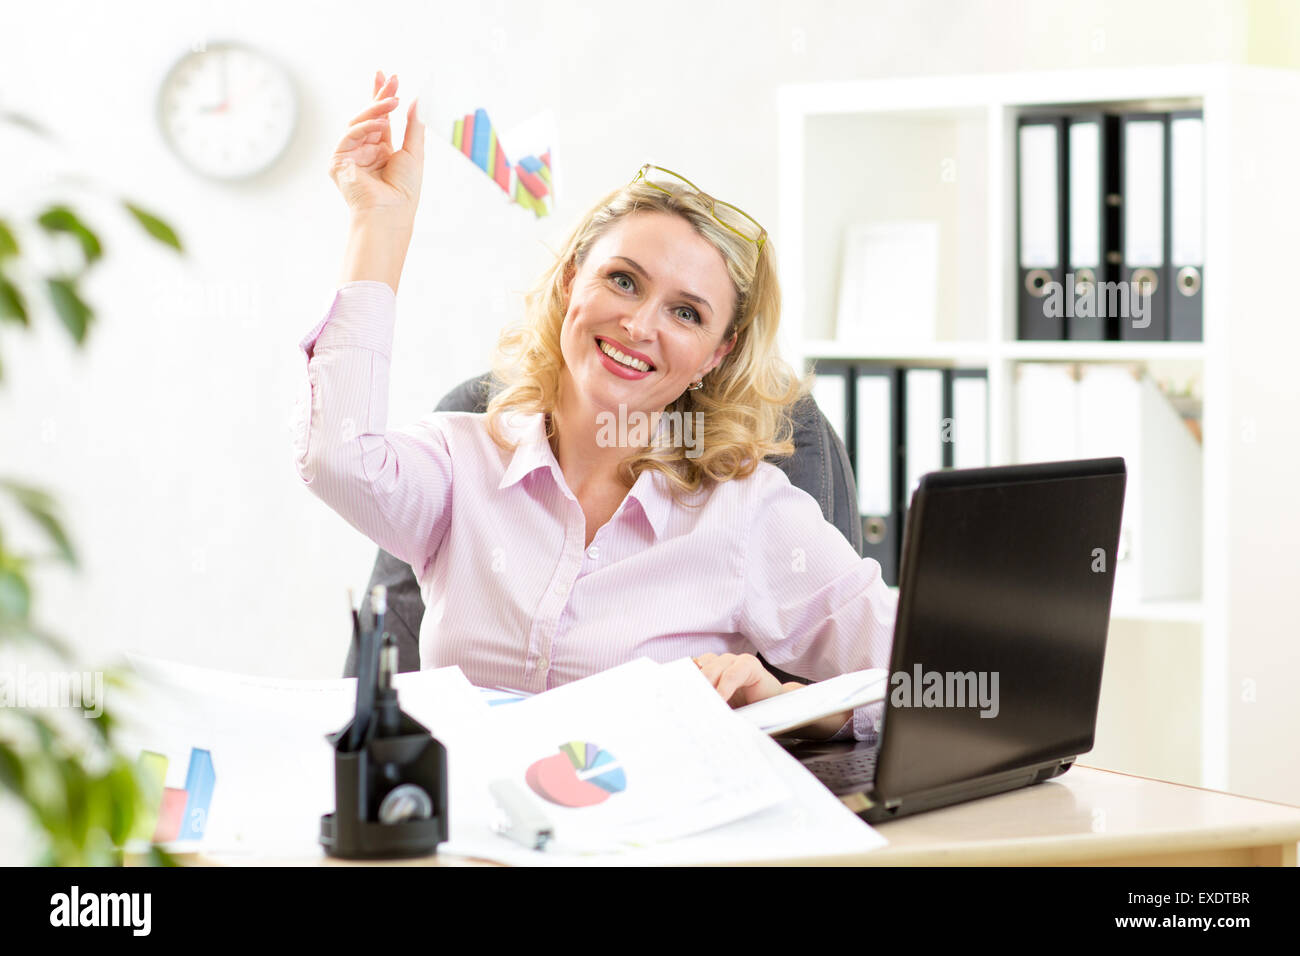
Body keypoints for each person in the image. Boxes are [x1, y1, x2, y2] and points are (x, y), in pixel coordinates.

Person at [292, 70, 896, 740]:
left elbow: (924, 681)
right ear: (573, 278)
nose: (640, 324)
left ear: (716, 355)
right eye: (623, 279)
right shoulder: (461, 460)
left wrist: (790, 704)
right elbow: (336, 459)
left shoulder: (747, 514)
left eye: (686, 313)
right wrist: (378, 222)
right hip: (478, 834)